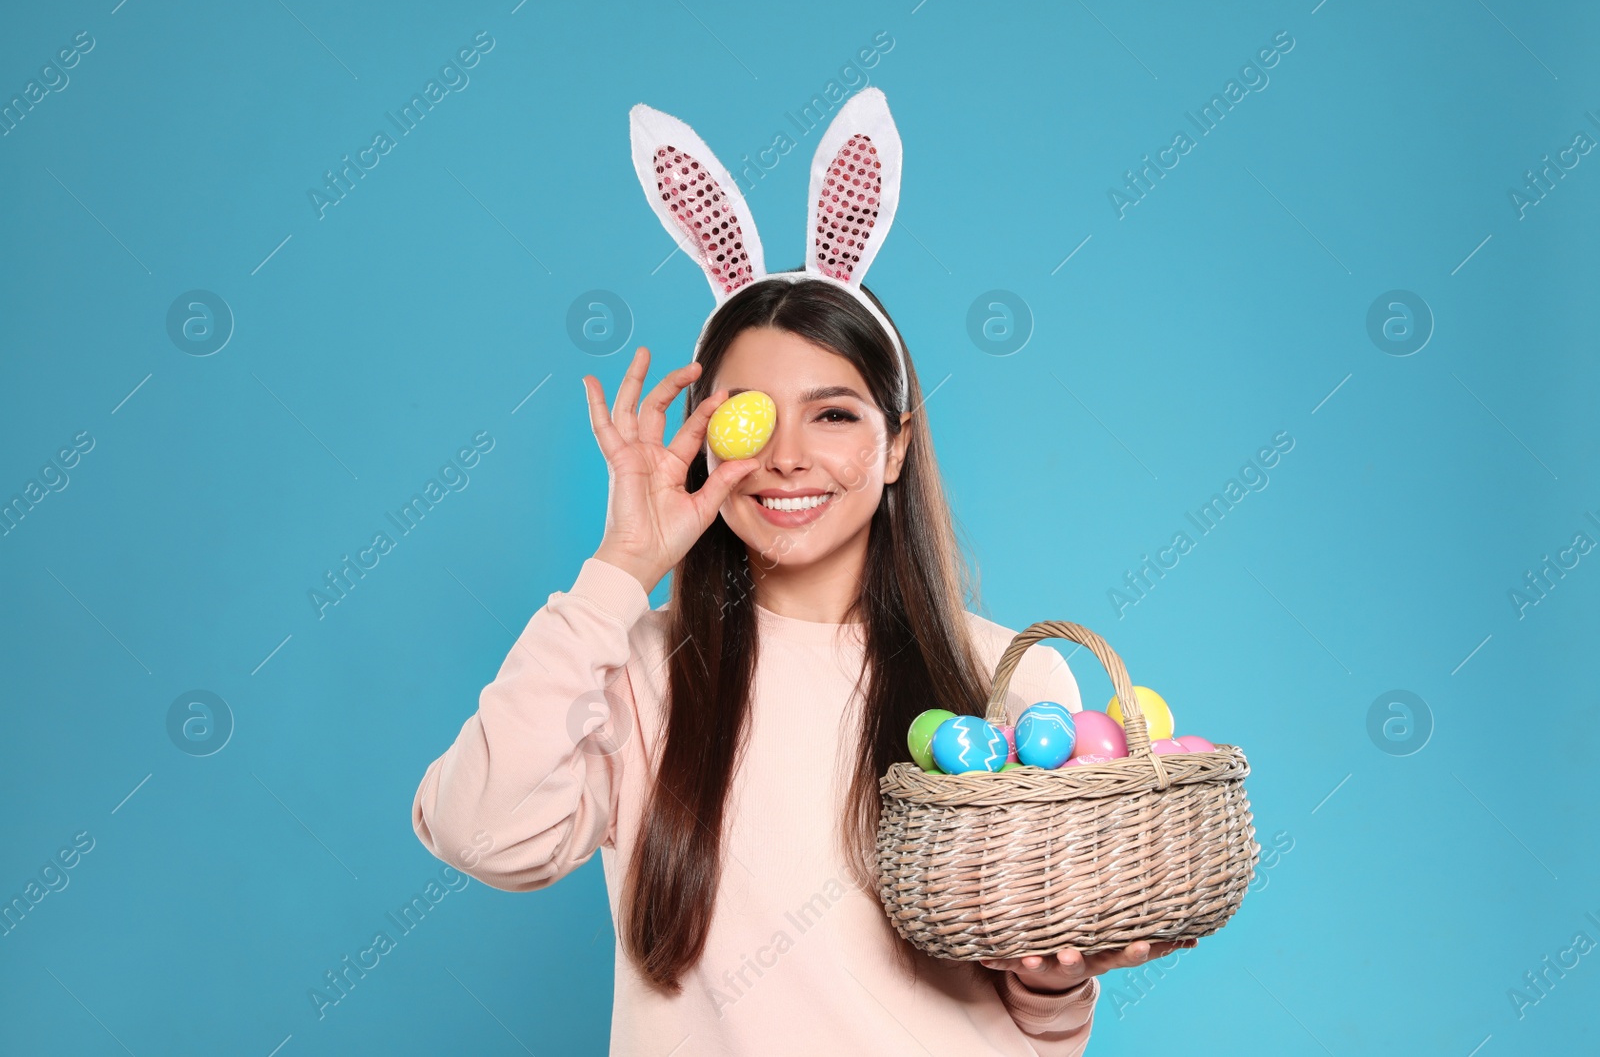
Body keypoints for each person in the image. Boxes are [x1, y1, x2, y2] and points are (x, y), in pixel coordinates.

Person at [413, 89, 1188, 1055]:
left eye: (833, 414)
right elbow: (473, 830)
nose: (786, 459)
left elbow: (1038, 1030)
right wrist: (617, 570)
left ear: (896, 444)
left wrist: (1054, 982)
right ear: (704, 441)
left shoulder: (1011, 681)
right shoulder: (637, 668)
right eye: (748, 418)